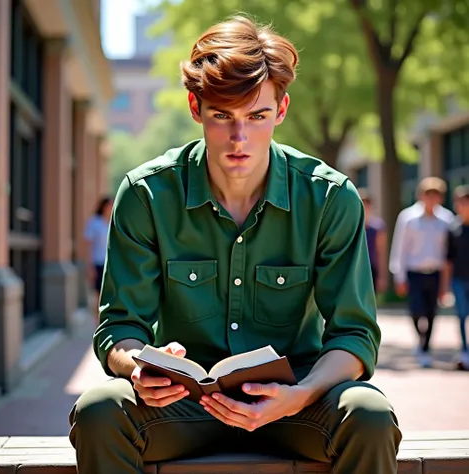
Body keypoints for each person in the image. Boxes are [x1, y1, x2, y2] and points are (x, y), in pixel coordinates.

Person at [69, 16, 401, 474]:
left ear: (280, 111)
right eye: (222, 115)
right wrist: (137, 368)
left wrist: (299, 395)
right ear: (195, 106)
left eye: (257, 116)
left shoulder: (329, 198)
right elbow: (119, 327)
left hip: (296, 402)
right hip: (182, 406)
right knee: (100, 408)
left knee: (370, 415)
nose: (239, 138)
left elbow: (355, 334)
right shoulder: (146, 193)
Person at [389, 177, 453, 368]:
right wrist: (398, 275)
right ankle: (421, 338)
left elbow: (448, 252)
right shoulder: (408, 217)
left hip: (436, 273)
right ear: (421, 196)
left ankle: (425, 347)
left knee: (432, 311)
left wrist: (446, 283)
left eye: (436, 196)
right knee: (416, 310)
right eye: (428, 195)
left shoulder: (446, 219)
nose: (432, 200)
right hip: (414, 272)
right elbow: (400, 247)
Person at [442, 185, 469, 370]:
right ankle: (465, 351)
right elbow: (448, 260)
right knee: (461, 315)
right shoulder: (453, 229)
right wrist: (444, 286)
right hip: (458, 279)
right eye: (461, 203)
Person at [84, 196, 114, 319]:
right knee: (98, 295)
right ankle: (97, 322)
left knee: (110, 295)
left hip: (111, 265)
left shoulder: (114, 221)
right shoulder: (94, 222)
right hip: (98, 264)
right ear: (104, 206)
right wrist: (90, 267)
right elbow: (88, 246)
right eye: (110, 205)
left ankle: (107, 320)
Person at [358, 188, 388, 294]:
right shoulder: (351, 226)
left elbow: (381, 252)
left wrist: (382, 276)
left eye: (367, 204)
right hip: (354, 267)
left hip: (371, 268)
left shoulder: (378, 226)